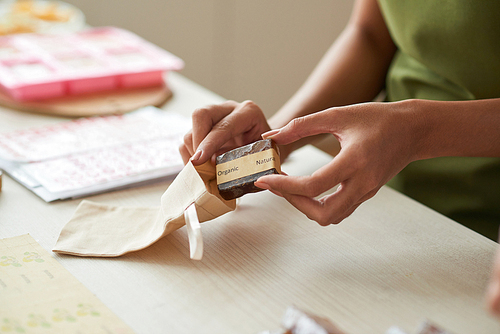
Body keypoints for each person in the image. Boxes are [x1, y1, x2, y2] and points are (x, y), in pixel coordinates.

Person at [179, 0, 500, 316]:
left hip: (483, 231)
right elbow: (371, 35)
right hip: (389, 201)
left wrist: (418, 130)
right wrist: (275, 137)